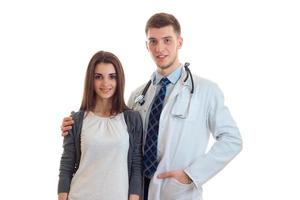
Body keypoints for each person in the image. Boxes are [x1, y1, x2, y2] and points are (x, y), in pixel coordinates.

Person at [61, 13, 242, 200]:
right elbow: (113, 134)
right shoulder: (137, 96)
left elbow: (232, 140)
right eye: (153, 41)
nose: (160, 48)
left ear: (179, 42)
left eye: (167, 40)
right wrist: (75, 126)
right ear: (147, 45)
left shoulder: (206, 91)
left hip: (178, 192)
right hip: (137, 192)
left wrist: (191, 174)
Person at [58, 51, 143, 200]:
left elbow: (137, 166)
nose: (105, 83)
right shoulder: (76, 120)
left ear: (119, 79)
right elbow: (67, 165)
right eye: (98, 77)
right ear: (91, 80)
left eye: (112, 76)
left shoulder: (132, 119)